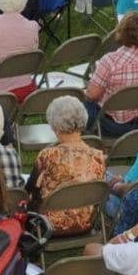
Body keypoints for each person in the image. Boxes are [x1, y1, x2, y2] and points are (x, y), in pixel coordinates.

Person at [25, 96, 106, 237]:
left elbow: (31, 190)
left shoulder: (47, 155)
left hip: (48, 226)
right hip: (84, 222)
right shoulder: (98, 156)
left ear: (55, 127)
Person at [85, 11, 138, 136]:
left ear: (120, 32)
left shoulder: (110, 61)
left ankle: (82, 136)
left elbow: (92, 95)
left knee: (83, 102)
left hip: (113, 126)